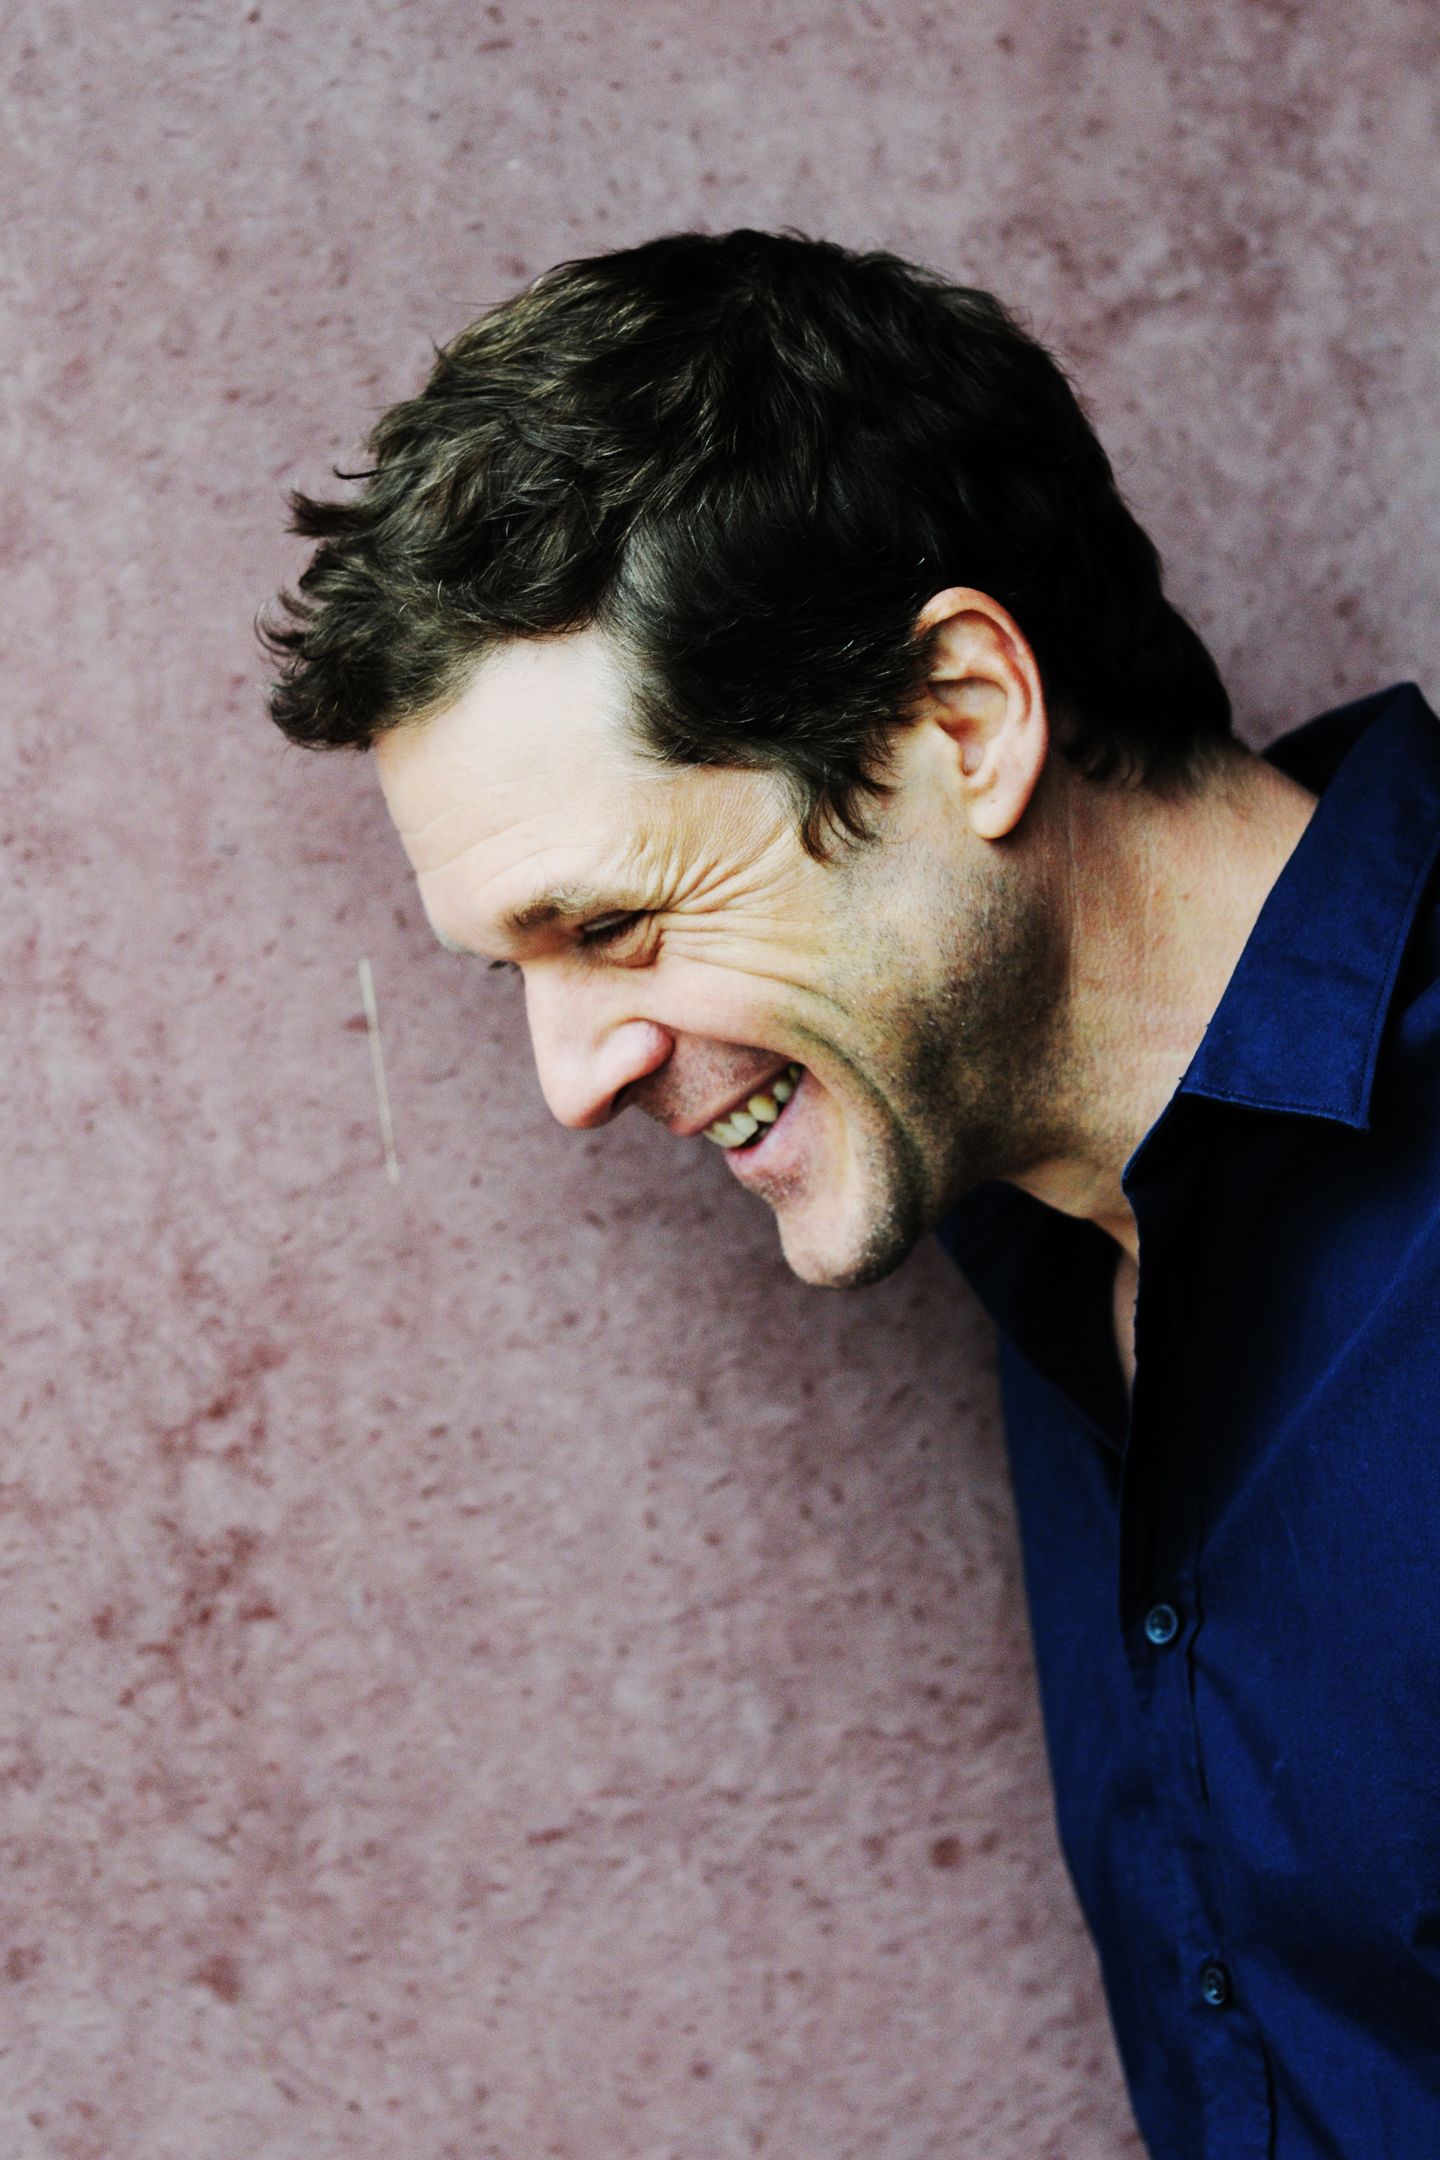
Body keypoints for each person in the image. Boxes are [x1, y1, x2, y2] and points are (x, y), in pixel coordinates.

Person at [262, 228, 1440, 2160]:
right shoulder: (1030, 1206)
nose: (570, 1083)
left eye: (614, 924)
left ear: (964, 719)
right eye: (513, 975)